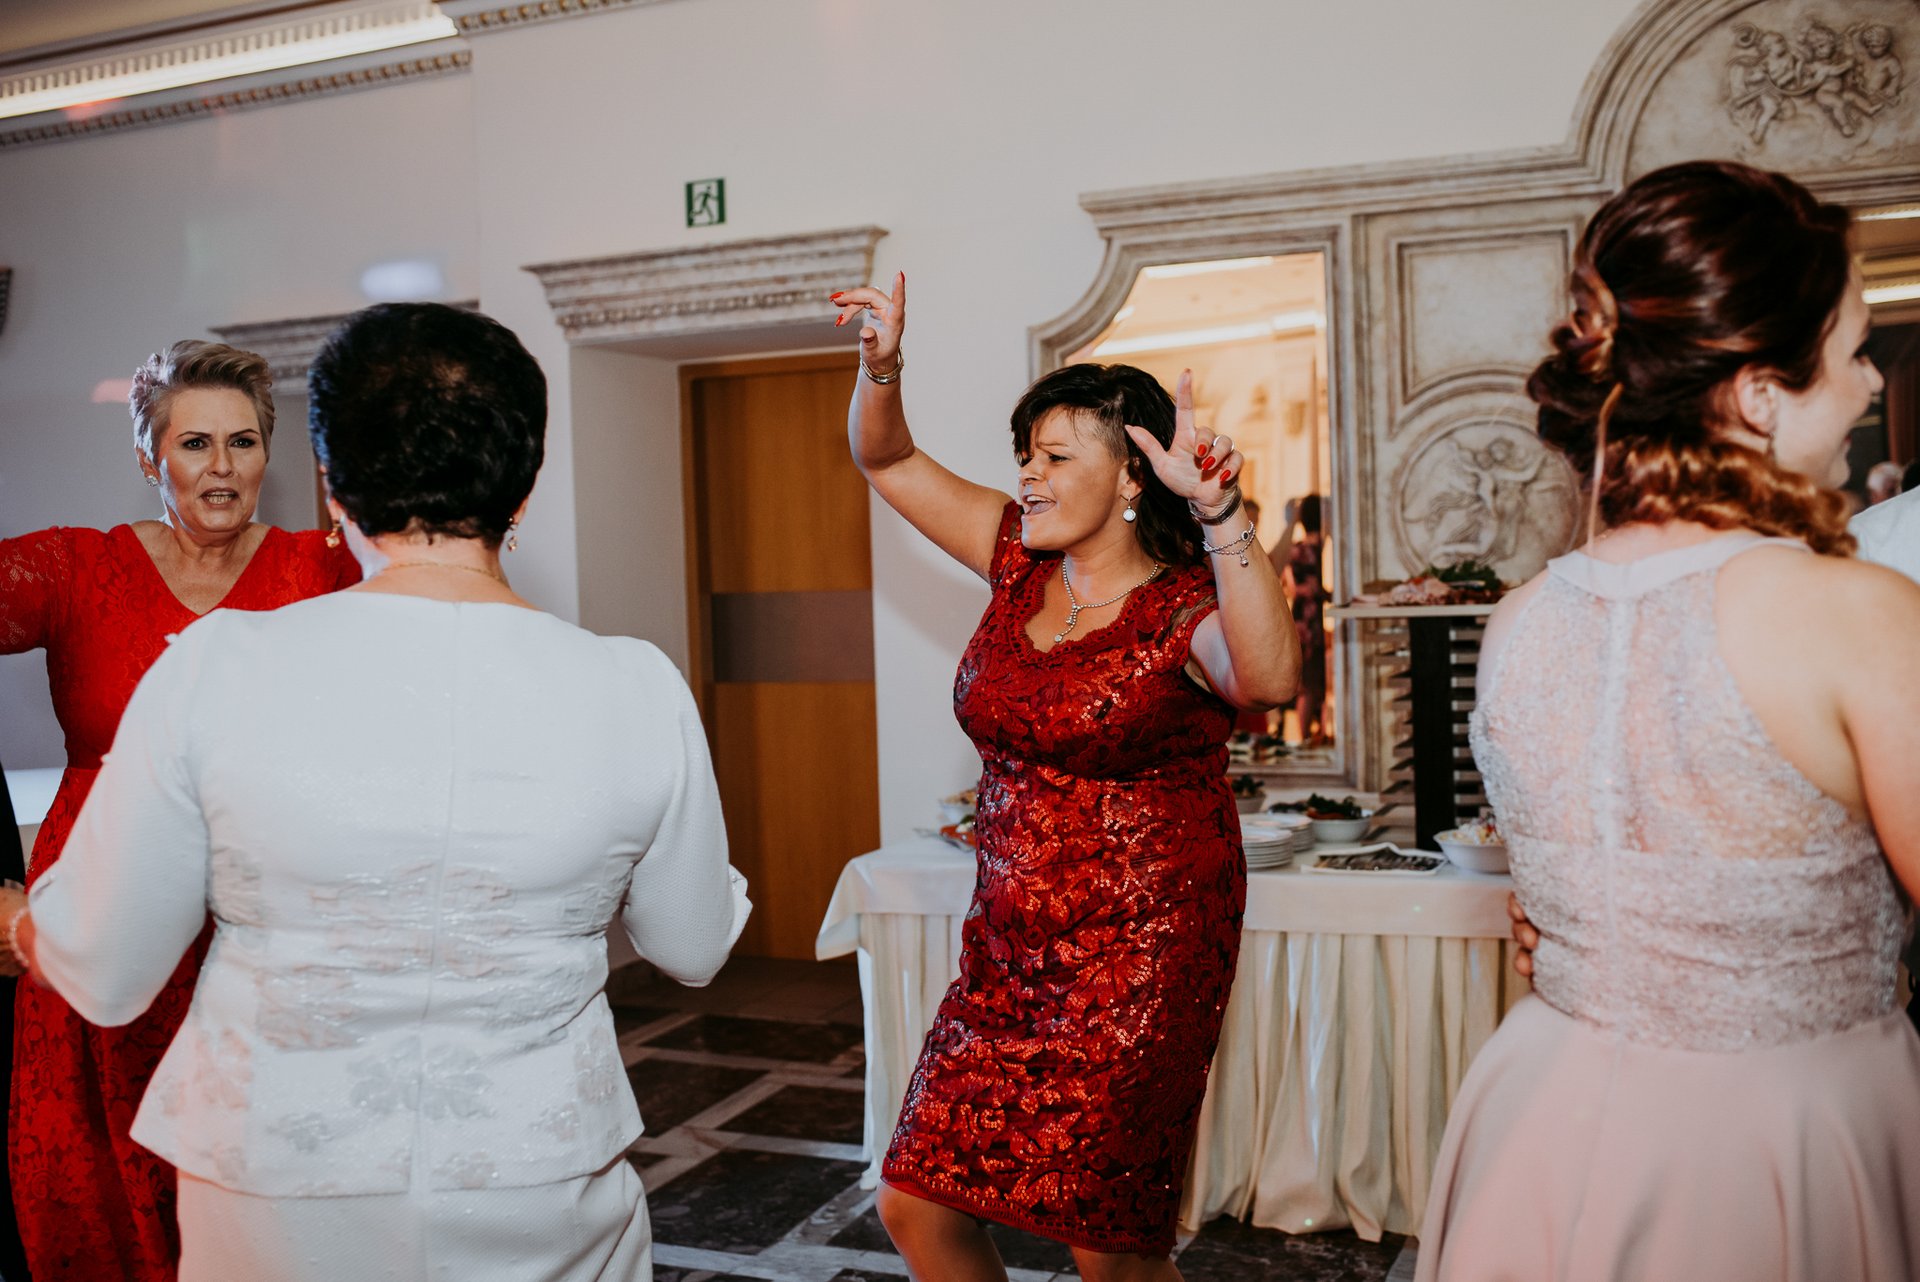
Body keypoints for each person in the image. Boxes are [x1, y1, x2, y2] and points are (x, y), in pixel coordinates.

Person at [0, 302, 750, 1282]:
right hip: (540, 1177)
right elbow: (693, 945)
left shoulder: (218, 664)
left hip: (277, 1186)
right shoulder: (635, 684)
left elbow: (105, 966)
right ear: (524, 486)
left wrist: (19, 920)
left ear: (330, 481)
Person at [1416, 161, 1920, 1281]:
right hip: (1782, 1136)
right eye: (1852, 352)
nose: (1867, 388)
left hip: (1537, 1111)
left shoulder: (1519, 622)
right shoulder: (1859, 616)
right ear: (1759, 393)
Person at [829, 274, 1300, 1280]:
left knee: (1107, 1246)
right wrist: (883, 367)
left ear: (1133, 478)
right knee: (916, 1204)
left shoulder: (1182, 607)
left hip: (1144, 955)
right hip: (1006, 953)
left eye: (1055, 457)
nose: (1029, 476)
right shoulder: (1014, 561)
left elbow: (1268, 679)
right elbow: (889, 457)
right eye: (1025, 456)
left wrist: (1221, 511)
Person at [0, 340, 361, 1281]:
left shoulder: (321, 571)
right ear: (147, 455)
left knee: (256, 1193)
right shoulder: (74, 567)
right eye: (195, 443)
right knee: (96, 1186)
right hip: (99, 917)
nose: (222, 467)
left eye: (244, 442)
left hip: (262, 930)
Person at [1286, 495, 1330, 745]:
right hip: (1311, 620)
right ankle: (1307, 736)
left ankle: (1309, 736)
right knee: (1313, 681)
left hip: (1304, 618)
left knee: (1312, 682)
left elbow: (1293, 587)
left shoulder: (1300, 549)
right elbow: (1299, 588)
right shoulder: (1316, 549)